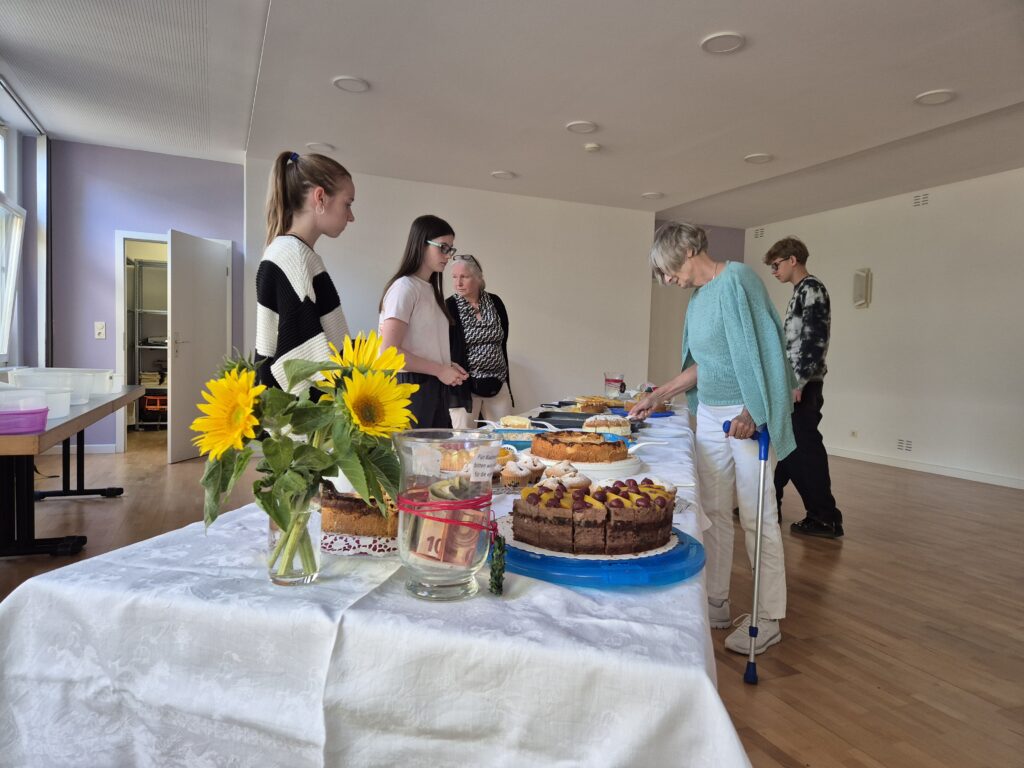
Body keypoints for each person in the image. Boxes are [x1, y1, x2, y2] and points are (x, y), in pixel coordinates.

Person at [629, 222, 796, 655]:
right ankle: (717, 600)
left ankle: (768, 614)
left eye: (667, 271)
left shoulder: (737, 279)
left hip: (745, 417)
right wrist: (658, 395)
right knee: (717, 511)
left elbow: (766, 348)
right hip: (709, 415)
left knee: (758, 516)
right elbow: (704, 365)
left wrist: (753, 412)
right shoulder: (699, 299)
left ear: (686, 251)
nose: (667, 281)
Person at [764, 237, 844, 538]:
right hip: (796, 384)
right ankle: (774, 501)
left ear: (792, 260)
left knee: (804, 452)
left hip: (802, 386)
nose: (774, 271)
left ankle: (825, 516)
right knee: (790, 446)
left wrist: (797, 382)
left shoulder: (812, 289)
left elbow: (814, 341)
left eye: (776, 265)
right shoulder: (801, 291)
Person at [255, 151, 353, 392]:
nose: (351, 216)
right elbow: (301, 364)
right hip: (302, 423)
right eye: (347, 204)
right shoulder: (294, 256)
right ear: (320, 197)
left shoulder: (291, 252)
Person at [379, 215, 468, 428]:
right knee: (419, 459)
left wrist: (446, 364)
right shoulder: (404, 288)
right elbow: (389, 352)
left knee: (438, 458)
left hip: (432, 388)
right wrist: (439, 369)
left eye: (451, 249)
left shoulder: (428, 289)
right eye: (443, 248)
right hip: (411, 390)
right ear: (421, 244)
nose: (448, 256)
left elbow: (424, 343)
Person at [446, 254, 514, 428]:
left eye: (464, 277)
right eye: (454, 277)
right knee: (463, 443)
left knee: (503, 437)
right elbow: (445, 346)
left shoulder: (495, 302)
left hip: (498, 382)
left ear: (478, 278)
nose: (458, 283)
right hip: (464, 386)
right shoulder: (449, 307)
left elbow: (502, 339)